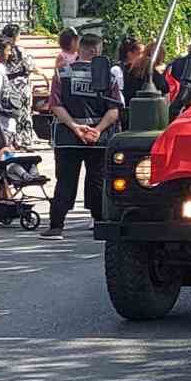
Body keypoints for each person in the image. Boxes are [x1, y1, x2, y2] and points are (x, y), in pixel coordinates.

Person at [43, 33, 124, 240]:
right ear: (97, 51)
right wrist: (97, 129)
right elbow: (114, 110)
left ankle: (56, 226)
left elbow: (55, 106)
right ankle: (99, 223)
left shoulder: (62, 73)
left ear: (81, 49)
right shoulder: (110, 76)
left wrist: (75, 127)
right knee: (96, 180)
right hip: (98, 138)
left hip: (67, 138)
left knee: (65, 181)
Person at [1, 24, 41, 151]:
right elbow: (31, 66)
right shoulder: (20, 50)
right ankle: (25, 140)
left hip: (8, 85)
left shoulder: (2, 50)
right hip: (22, 86)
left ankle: (12, 140)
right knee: (24, 114)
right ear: (15, 36)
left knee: (11, 114)